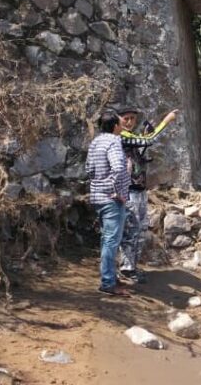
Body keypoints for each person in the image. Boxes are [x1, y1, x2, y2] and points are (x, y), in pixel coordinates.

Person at [116, 106, 180, 284]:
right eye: (125, 118)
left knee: (138, 228)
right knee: (131, 229)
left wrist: (145, 135)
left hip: (139, 189)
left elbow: (142, 145)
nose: (129, 122)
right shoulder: (123, 136)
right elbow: (147, 141)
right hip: (129, 191)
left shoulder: (131, 138)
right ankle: (127, 269)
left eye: (132, 118)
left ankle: (130, 267)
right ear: (118, 120)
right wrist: (166, 121)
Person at [85, 110, 131, 296]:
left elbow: (88, 169)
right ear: (114, 126)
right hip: (111, 199)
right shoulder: (114, 141)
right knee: (111, 241)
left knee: (106, 239)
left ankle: (110, 277)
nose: (123, 127)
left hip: (97, 197)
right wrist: (116, 191)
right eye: (121, 124)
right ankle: (108, 283)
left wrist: (99, 184)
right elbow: (119, 167)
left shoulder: (95, 142)